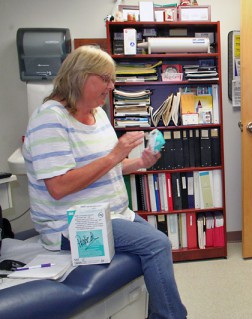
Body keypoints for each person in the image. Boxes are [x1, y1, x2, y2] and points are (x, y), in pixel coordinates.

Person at [22, 46, 187, 319]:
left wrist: (140, 163)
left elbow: (106, 169)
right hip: (71, 224)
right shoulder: (49, 119)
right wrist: (115, 154)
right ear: (80, 77)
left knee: (155, 245)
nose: (111, 86)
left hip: (113, 214)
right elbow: (59, 186)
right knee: (158, 245)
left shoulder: (97, 114)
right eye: (106, 79)